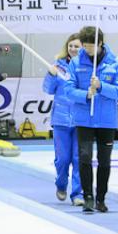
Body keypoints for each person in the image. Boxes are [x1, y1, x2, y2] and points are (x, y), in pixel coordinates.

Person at [64, 26, 118, 213]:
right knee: (84, 157)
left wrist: (101, 87)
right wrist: (85, 95)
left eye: (90, 46)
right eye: (84, 46)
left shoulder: (116, 63)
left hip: (107, 120)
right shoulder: (75, 63)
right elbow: (68, 89)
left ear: (100, 43)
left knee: (104, 160)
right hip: (84, 119)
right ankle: (88, 197)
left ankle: (101, 198)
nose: (86, 49)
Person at [43, 33, 84, 206]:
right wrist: (51, 75)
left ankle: (77, 194)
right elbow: (48, 89)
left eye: (77, 46)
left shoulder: (87, 67)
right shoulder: (58, 67)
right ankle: (61, 185)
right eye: (71, 46)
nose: (73, 49)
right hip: (61, 120)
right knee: (62, 159)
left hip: (81, 120)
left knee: (79, 158)